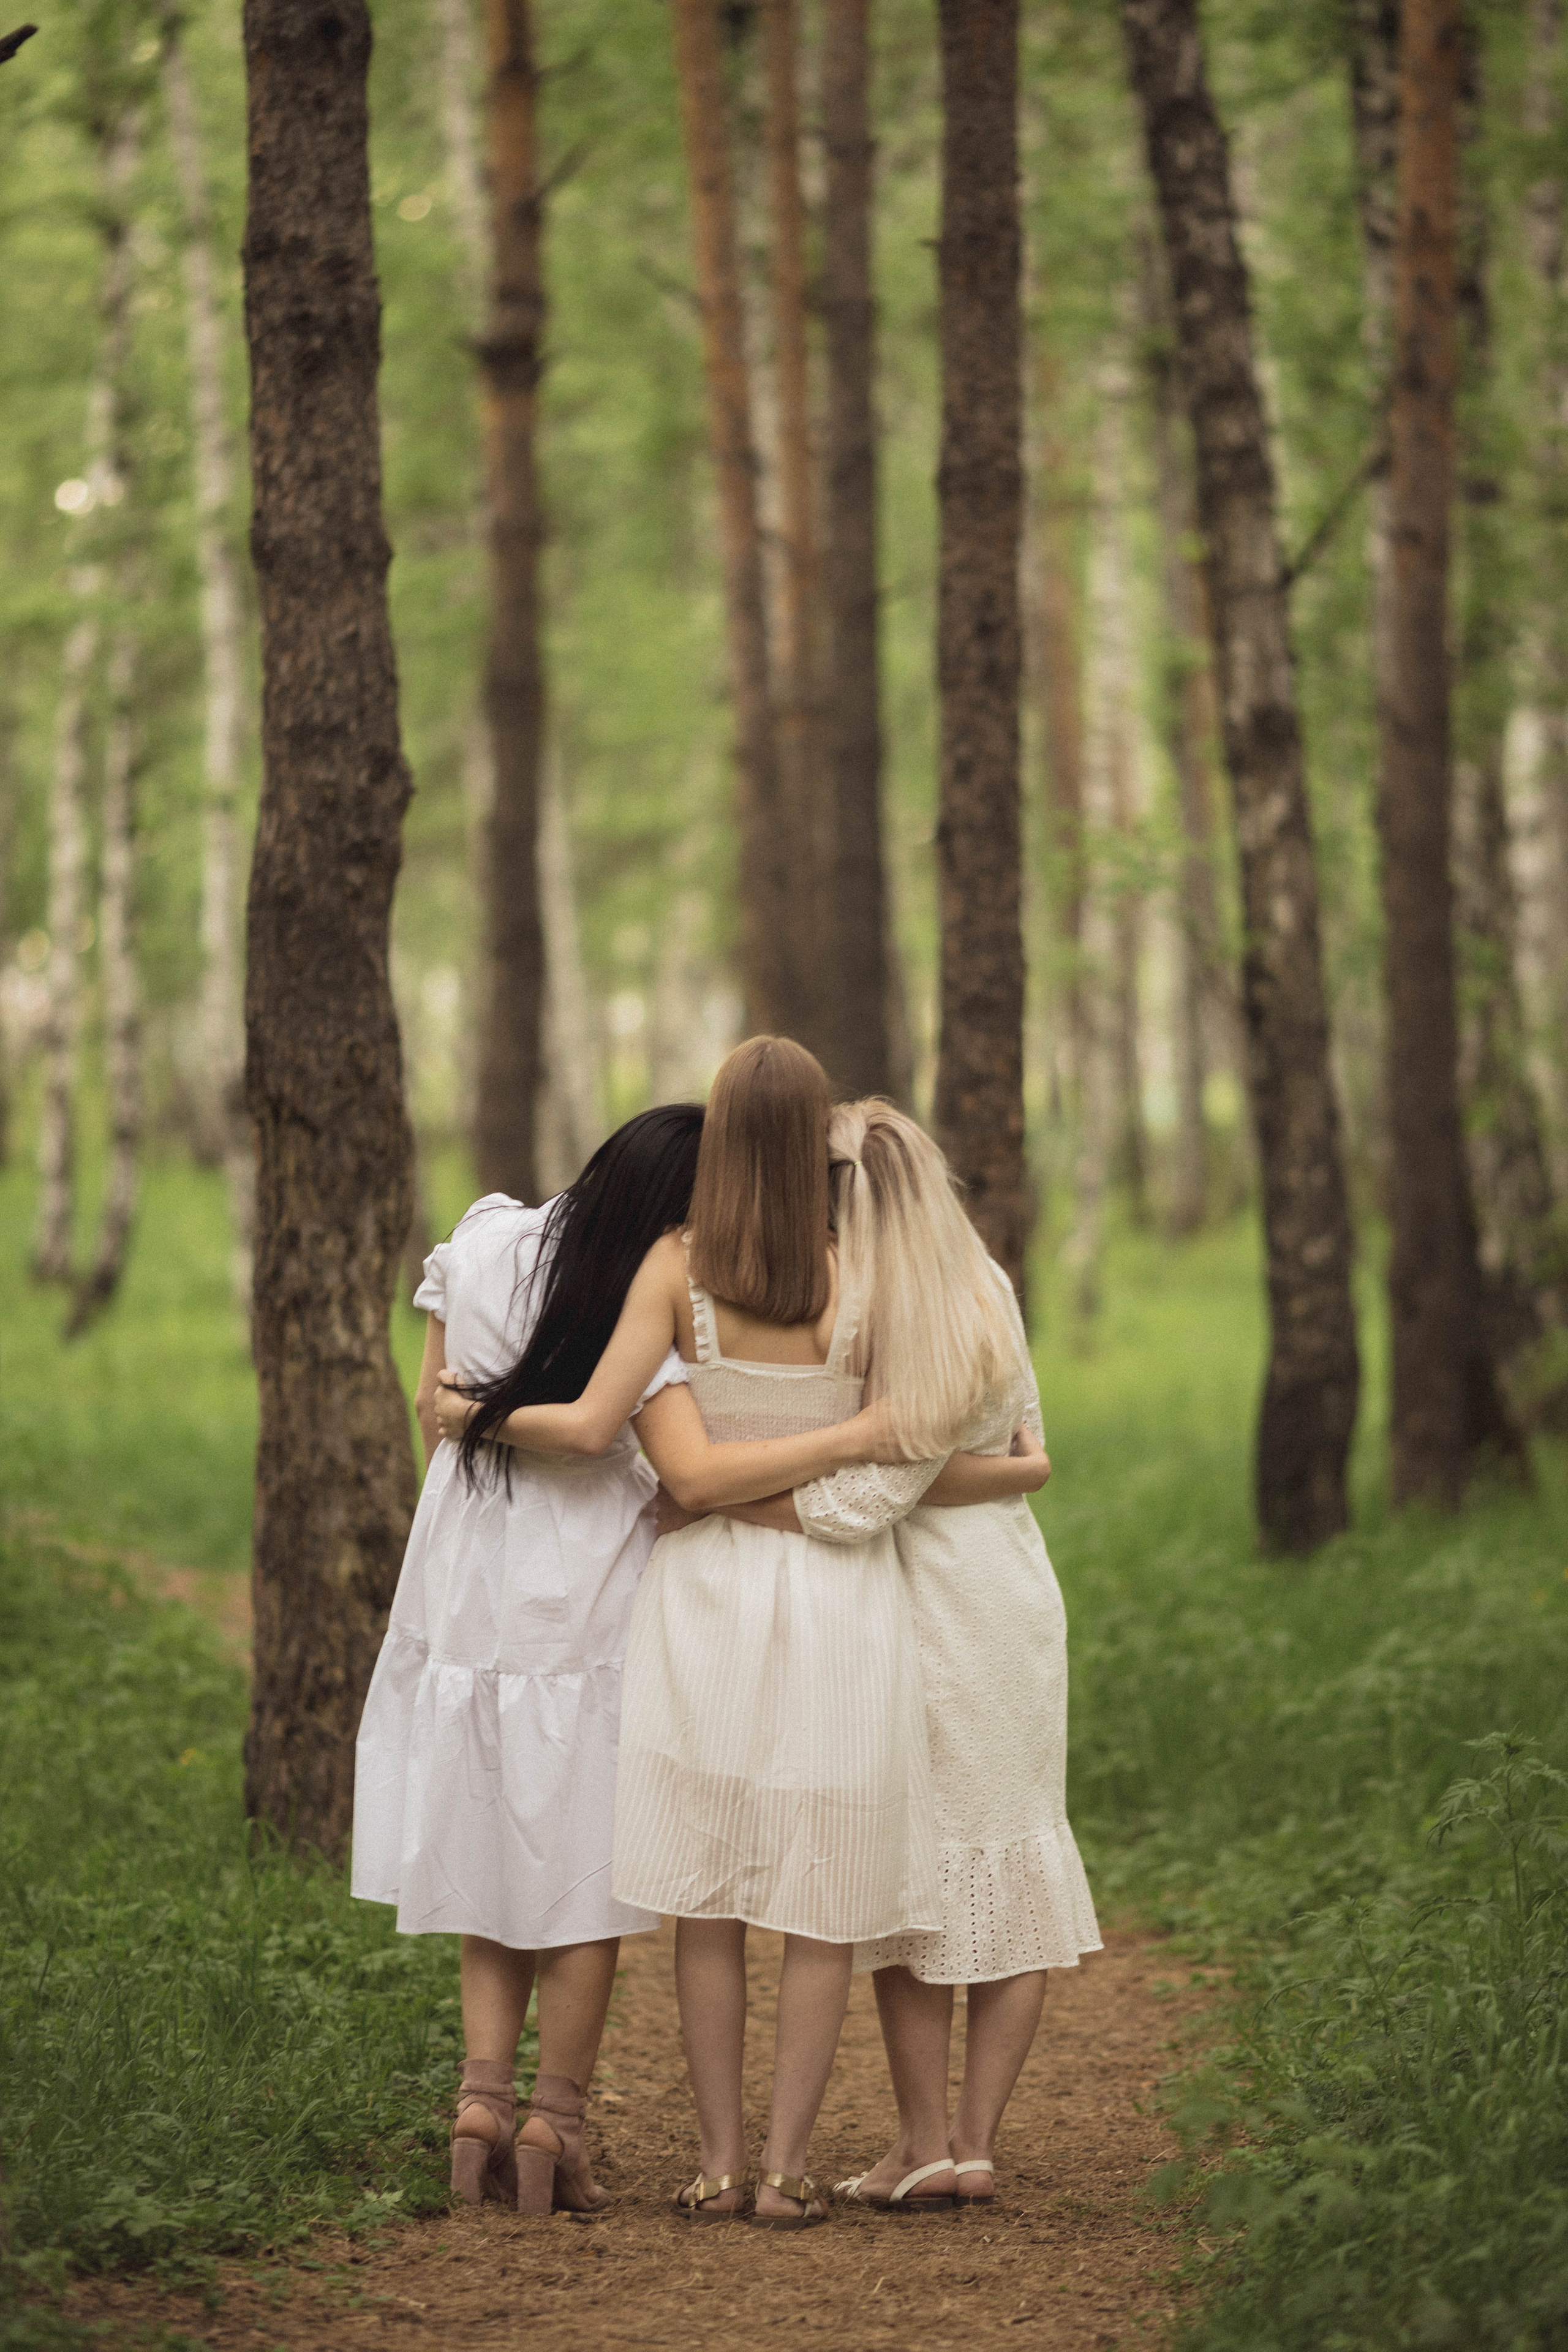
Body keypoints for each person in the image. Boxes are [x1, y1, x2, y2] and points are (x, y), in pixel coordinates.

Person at [433, 1038, 965, 2228]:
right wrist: (846, 1435)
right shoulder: (864, 1273)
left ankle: (716, 2166)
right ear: (818, 1138)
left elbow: (657, 1458)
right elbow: (912, 1439)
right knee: (818, 1894)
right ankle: (784, 2173)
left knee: (708, 1893)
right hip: (840, 1594)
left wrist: (462, 1410)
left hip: (705, 1593)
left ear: (719, 1139)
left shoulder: (676, 1265)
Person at [729, 1101, 1102, 2213]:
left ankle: (927, 2137)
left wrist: (736, 1503)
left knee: (917, 1874)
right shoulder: (984, 1280)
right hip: (1015, 1596)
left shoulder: (885, 1311)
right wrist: (1012, 1473)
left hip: (928, 1604)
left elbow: (867, 1497)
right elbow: (1028, 1445)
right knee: (1015, 1856)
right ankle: (968, 2145)